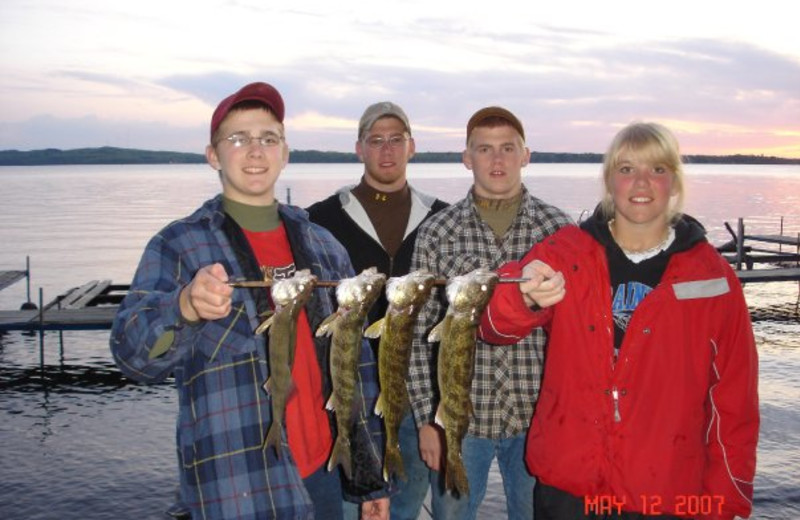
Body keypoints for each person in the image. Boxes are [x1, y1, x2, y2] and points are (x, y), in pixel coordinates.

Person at [110, 81, 390, 520]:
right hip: (236, 487)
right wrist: (183, 308)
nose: (255, 151)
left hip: (325, 473)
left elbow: (357, 366)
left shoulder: (325, 247)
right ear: (213, 155)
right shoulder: (178, 245)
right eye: (238, 139)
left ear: (285, 153)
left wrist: (370, 477)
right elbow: (133, 358)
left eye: (268, 138)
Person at [479, 122, 759, 519]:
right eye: (627, 169)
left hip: (665, 494)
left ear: (674, 183)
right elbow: (493, 327)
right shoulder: (565, 251)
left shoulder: (712, 278)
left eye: (657, 169)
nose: (641, 182)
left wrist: (725, 503)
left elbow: (734, 403)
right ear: (610, 181)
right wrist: (521, 297)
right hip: (568, 489)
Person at [408, 106, 572, 519]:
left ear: (526, 155)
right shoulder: (436, 232)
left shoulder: (559, 229)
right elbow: (416, 333)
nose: (497, 160)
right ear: (467, 159)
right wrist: (428, 420)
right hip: (461, 422)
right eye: (484, 149)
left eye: (507, 148)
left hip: (538, 417)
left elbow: (576, 335)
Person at [307, 101, 448, 520]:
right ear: (359, 149)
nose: (387, 150)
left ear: (412, 147)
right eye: (376, 140)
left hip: (418, 395)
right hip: (350, 392)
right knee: (354, 509)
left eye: (396, 140)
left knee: (405, 506)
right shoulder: (320, 219)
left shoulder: (442, 218)